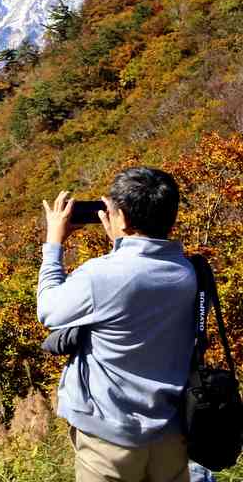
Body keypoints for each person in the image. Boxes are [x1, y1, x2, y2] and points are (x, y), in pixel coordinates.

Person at [37, 167, 197, 482]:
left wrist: (54, 244)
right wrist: (122, 244)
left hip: (109, 440)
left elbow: (48, 311)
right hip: (171, 433)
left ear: (120, 218)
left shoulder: (101, 276)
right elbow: (135, 282)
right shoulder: (188, 271)